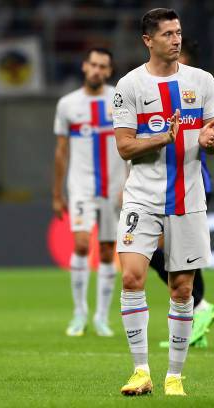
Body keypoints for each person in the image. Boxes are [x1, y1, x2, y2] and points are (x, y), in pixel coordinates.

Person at [112, 8, 214, 396]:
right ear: (148, 40)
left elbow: (213, 134)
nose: (176, 39)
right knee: (131, 277)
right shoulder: (129, 86)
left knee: (182, 290)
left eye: (178, 33)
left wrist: (212, 142)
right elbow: (124, 146)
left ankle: (174, 376)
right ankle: (141, 371)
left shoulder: (203, 81)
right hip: (142, 197)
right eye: (168, 34)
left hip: (188, 198)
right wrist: (162, 138)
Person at [52, 47, 127, 338]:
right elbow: (60, 153)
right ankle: (79, 312)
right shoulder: (67, 104)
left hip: (113, 187)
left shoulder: (119, 100)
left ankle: (101, 317)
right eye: (93, 64)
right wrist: (57, 194)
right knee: (82, 245)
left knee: (108, 252)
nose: (97, 70)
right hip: (81, 186)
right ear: (85, 66)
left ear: (109, 71)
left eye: (103, 66)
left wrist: (128, 184)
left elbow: (130, 145)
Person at [151, 37, 214, 350]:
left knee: (165, 252)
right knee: (170, 253)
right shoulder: (156, 93)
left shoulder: (198, 93)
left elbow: (213, 136)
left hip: (189, 181)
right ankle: (197, 317)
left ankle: (199, 308)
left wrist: (211, 141)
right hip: (164, 183)